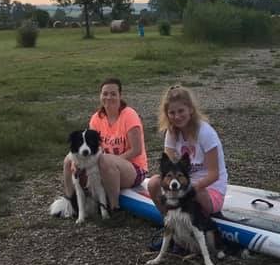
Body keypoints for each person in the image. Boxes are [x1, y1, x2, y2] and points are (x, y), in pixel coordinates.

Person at [61, 77, 148, 210]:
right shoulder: (96, 118)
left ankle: (113, 207)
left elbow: (137, 150)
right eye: (105, 94)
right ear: (100, 95)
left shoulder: (129, 115)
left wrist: (112, 161)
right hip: (104, 167)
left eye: (113, 94)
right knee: (68, 160)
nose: (109, 97)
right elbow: (91, 148)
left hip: (133, 169)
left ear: (120, 96)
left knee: (104, 160)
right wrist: (75, 161)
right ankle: (71, 202)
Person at [147, 85, 228, 218]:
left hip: (208, 188)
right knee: (153, 183)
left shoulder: (205, 133)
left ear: (190, 109)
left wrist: (188, 189)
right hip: (184, 182)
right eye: (172, 113)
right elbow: (169, 169)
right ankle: (169, 221)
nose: (177, 116)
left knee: (196, 192)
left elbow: (214, 175)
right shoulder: (171, 133)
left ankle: (202, 218)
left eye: (181, 111)